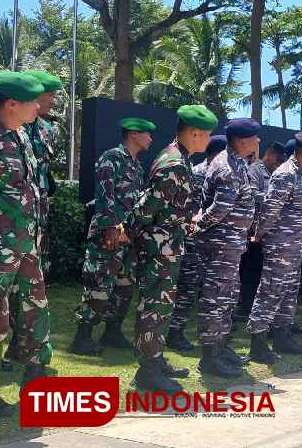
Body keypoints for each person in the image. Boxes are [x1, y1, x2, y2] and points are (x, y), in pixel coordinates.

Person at [126, 104, 217, 393]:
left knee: (162, 306)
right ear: (193, 133)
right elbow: (147, 208)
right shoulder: (174, 163)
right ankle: (148, 372)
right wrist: (147, 238)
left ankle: (156, 357)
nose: (208, 141)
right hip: (159, 248)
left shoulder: (179, 157)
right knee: (154, 306)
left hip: (166, 244)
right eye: (206, 135)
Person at [72, 117, 156, 355]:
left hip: (128, 238)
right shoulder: (111, 158)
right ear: (133, 134)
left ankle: (112, 332)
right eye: (146, 133)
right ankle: (83, 336)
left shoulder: (137, 166)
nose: (150, 138)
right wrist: (111, 227)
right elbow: (104, 195)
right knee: (99, 284)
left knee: (124, 286)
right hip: (108, 236)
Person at [0, 71, 50, 417]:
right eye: (32, 101)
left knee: (36, 304)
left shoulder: (23, 136)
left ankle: (36, 374)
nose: (38, 106)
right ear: (11, 104)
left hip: (26, 240)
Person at [247, 132, 302, 363]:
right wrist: (259, 235)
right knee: (270, 291)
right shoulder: (286, 174)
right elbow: (270, 209)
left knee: (289, 293)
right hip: (281, 246)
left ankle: (282, 335)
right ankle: (258, 342)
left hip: (295, 246)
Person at [191, 119, 260, 378]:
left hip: (231, 243)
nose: (257, 142)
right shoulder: (228, 167)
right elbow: (219, 208)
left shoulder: (238, 162)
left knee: (227, 297)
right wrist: (200, 225)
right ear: (242, 141)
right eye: (254, 138)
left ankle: (220, 347)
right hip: (221, 243)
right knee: (216, 297)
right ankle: (209, 357)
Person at [166, 135, 227, 351]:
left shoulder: (207, 170)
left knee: (193, 287)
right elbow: (195, 208)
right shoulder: (202, 172)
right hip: (192, 239)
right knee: (186, 286)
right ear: (218, 152)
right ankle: (174, 331)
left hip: (202, 239)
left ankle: (178, 330)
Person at [234, 141, 286, 322]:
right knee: (250, 271)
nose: (278, 163)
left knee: (264, 273)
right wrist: (277, 199)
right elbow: (252, 195)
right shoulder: (255, 170)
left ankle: (258, 309)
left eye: (282, 161)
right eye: (277, 159)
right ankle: (245, 307)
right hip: (254, 231)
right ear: (269, 154)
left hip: (271, 233)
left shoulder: (278, 173)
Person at [23, 70, 60, 278]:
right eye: (50, 94)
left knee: (36, 257)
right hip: (12, 207)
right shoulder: (9, 125)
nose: (53, 100)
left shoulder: (47, 129)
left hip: (40, 205)